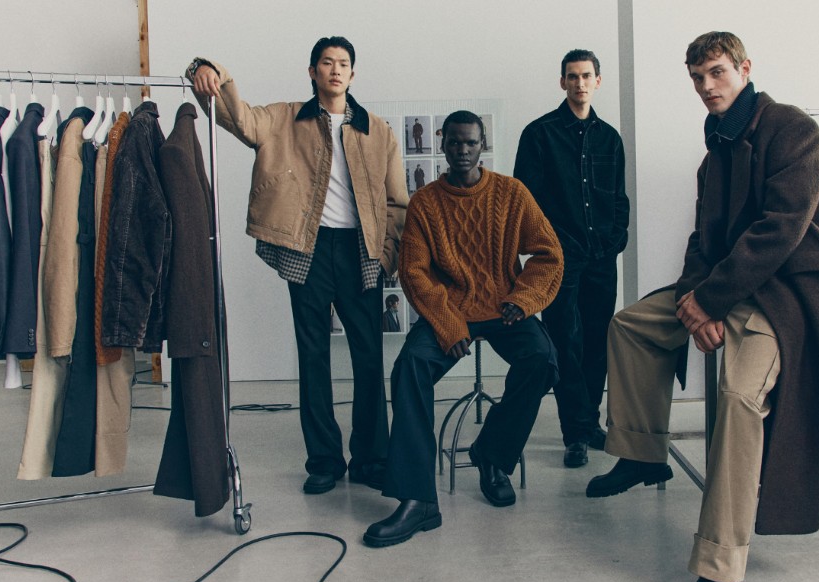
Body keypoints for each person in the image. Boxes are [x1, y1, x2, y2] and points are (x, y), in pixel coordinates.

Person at [585, 32, 819, 582]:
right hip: (733, 285)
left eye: (716, 73)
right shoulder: (715, 154)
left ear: (744, 69)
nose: (707, 86)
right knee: (630, 326)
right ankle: (641, 454)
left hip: (792, 293)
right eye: (697, 78)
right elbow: (702, 241)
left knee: (738, 396)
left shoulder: (793, 130)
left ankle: (721, 565)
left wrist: (709, 301)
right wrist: (692, 298)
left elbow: (780, 231)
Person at [187, 36, 408, 496]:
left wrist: (387, 254)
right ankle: (324, 461)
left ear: (353, 74)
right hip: (309, 248)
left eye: (343, 63)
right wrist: (209, 71)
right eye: (327, 62)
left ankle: (371, 458)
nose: (335, 70)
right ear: (312, 71)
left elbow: (397, 203)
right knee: (313, 356)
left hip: (361, 251)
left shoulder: (378, 130)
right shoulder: (284, 117)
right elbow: (238, 119)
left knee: (369, 359)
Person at [363, 111, 563, 547]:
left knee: (542, 359)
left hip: (503, 306)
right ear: (443, 145)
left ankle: (492, 455)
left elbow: (549, 254)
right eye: (454, 142)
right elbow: (414, 271)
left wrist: (523, 299)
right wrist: (448, 322)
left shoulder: (512, 193)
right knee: (409, 367)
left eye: (470, 143)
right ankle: (418, 500)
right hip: (450, 310)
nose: (462, 150)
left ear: (482, 145)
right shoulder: (425, 203)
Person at [514, 49, 630, 468]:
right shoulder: (539, 134)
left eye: (586, 76)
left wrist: (615, 239)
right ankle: (574, 433)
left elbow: (619, 198)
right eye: (572, 76)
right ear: (562, 82)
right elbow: (524, 202)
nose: (580, 83)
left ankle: (589, 421)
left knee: (597, 341)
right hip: (559, 259)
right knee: (565, 341)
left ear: (598, 81)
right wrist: (550, 246)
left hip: (601, 256)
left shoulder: (610, 138)